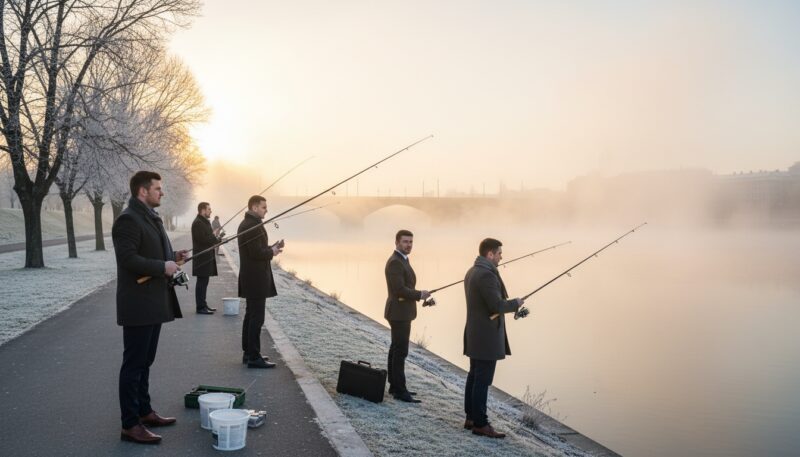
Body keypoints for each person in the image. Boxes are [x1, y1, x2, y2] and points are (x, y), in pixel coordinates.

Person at [112, 171, 188, 444]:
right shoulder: (127, 220)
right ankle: (129, 424)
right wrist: (161, 267)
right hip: (138, 305)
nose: (162, 192)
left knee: (146, 362)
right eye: (157, 188)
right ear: (143, 191)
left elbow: (153, 253)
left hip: (153, 302)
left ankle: (144, 412)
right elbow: (128, 259)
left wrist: (173, 258)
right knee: (133, 365)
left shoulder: (149, 217)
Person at [463, 238, 524, 438]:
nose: (501, 257)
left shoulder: (472, 271)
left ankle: (471, 417)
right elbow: (496, 306)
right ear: (490, 254)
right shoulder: (486, 275)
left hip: (475, 333)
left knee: (474, 376)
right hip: (485, 337)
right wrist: (515, 303)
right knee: (482, 380)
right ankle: (480, 424)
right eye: (499, 253)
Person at [384, 229, 430, 403]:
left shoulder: (402, 259)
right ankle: (400, 391)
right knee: (400, 351)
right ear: (396, 242)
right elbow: (399, 290)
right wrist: (420, 295)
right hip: (398, 312)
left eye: (411, 242)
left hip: (400, 311)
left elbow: (404, 286)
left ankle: (395, 386)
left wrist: (418, 294)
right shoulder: (395, 262)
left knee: (395, 349)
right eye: (405, 242)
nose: (408, 245)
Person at [238, 195, 282, 368]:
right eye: (264, 207)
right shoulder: (252, 225)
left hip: (251, 277)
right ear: (254, 207)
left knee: (251, 316)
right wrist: (272, 252)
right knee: (257, 318)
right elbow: (256, 253)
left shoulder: (248, 224)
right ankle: (254, 357)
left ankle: (249, 353)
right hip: (255, 278)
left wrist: (270, 248)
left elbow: (255, 249)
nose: (266, 210)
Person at [191, 202, 219, 314]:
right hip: (201, 258)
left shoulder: (203, 222)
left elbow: (208, 237)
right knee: (201, 283)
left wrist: (215, 238)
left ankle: (203, 304)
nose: (210, 211)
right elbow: (203, 240)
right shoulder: (198, 223)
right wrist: (215, 238)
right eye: (209, 209)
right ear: (202, 210)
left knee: (204, 282)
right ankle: (200, 307)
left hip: (205, 257)